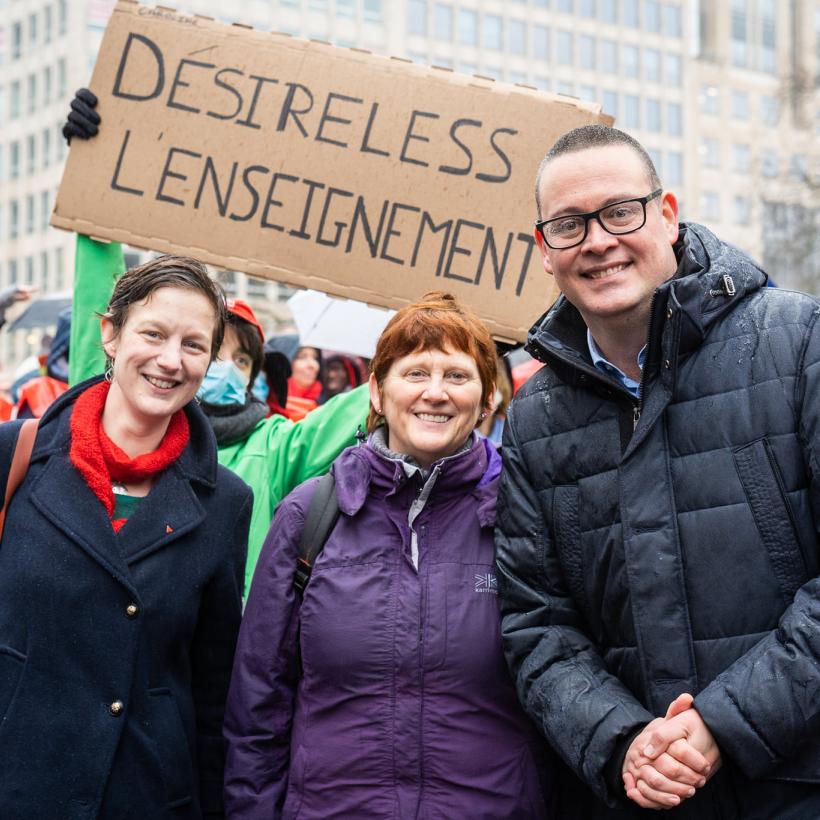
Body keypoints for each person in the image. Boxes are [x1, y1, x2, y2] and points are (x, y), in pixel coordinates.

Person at [495, 123, 820, 819]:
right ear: (543, 250)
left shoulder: (800, 344)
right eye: (569, 225)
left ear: (666, 215)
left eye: (620, 212)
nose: (598, 240)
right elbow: (536, 624)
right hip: (639, 798)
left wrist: (719, 725)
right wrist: (621, 743)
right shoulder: (535, 416)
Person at [224, 292, 554, 819]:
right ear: (377, 390)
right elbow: (258, 704)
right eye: (416, 372)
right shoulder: (309, 515)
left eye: (457, 375)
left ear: (488, 396)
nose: (436, 393)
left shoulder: (526, 513)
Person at [0, 256, 252, 818]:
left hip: (144, 792)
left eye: (193, 344)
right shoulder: (14, 455)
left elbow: (213, 692)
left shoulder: (226, 501)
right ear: (111, 335)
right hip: (20, 780)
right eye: (153, 334)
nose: (170, 360)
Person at [70, 239, 370, 594]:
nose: (223, 367)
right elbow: (96, 311)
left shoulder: (273, 446)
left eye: (241, 359)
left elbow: (359, 408)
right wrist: (97, 233)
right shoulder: (109, 417)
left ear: (254, 377)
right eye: (212, 350)